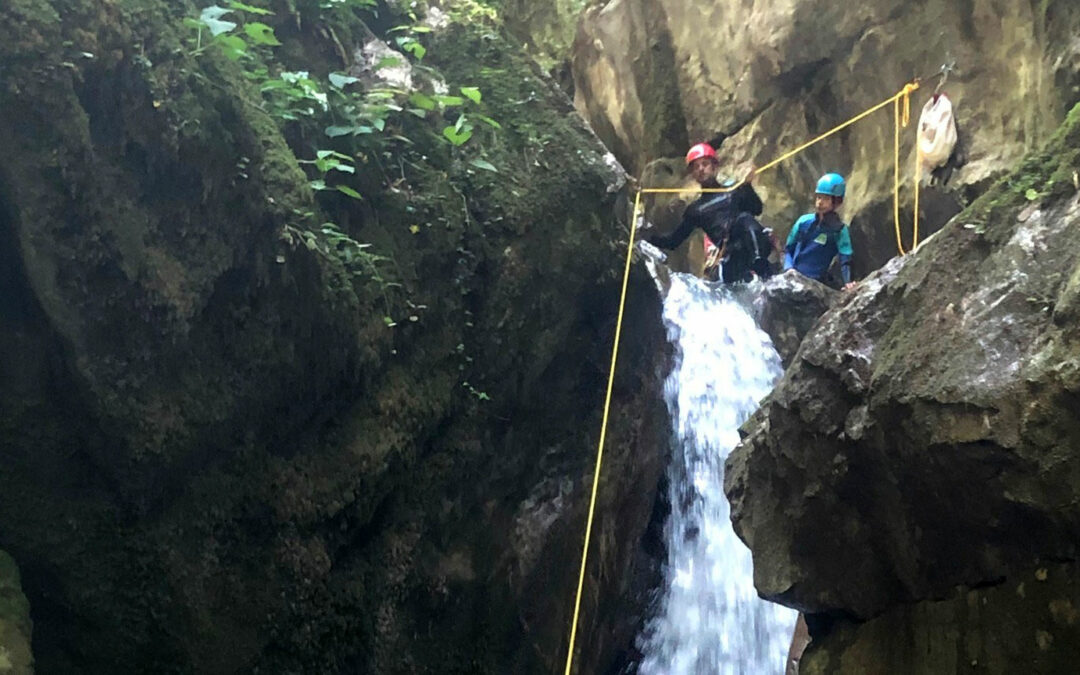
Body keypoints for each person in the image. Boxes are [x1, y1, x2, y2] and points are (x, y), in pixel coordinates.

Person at [645, 143, 773, 284]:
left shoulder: (734, 190)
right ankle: (759, 267)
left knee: (745, 219)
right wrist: (647, 238)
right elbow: (673, 241)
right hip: (732, 255)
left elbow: (756, 209)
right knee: (744, 221)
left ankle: (760, 262)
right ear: (693, 174)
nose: (701, 169)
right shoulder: (696, 210)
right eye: (696, 167)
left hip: (751, 242)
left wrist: (747, 187)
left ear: (714, 166)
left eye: (705, 164)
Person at [784, 173, 855, 290]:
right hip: (794, 276)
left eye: (826, 198)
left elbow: (845, 260)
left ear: (837, 202)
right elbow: (788, 249)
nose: (820, 202)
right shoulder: (804, 222)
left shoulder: (839, 231)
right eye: (819, 197)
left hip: (815, 283)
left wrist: (848, 282)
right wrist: (788, 268)